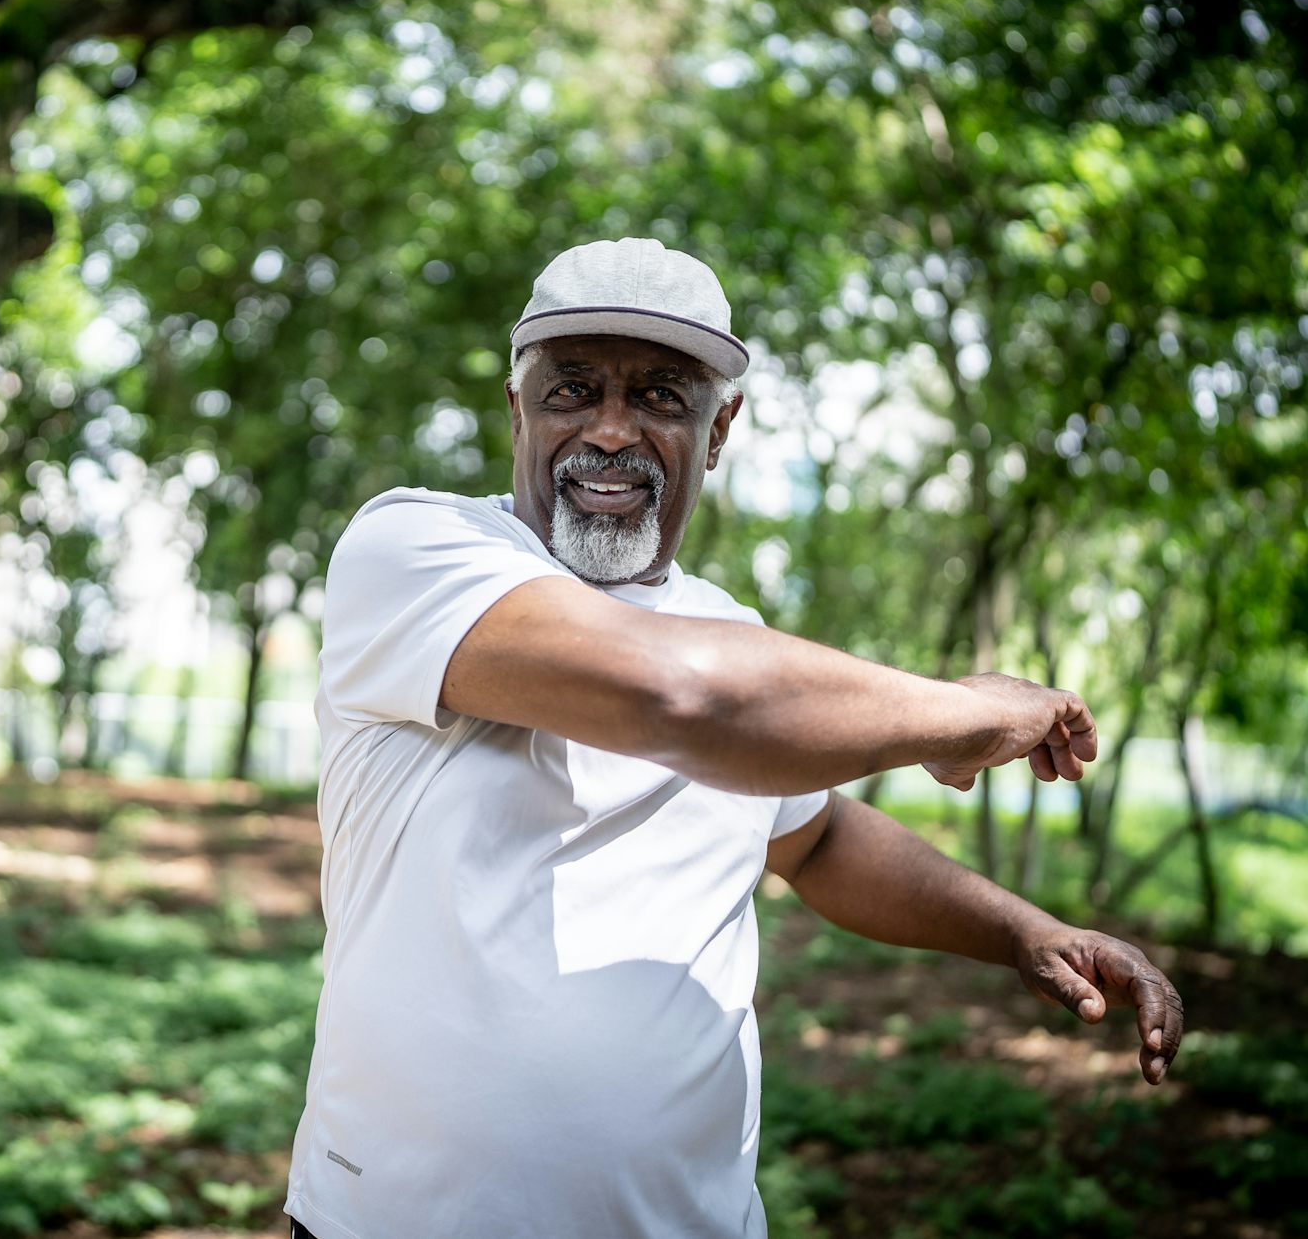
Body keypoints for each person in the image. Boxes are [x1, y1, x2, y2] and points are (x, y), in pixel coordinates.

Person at [283, 239, 1183, 1239]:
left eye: (663, 396)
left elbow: (818, 839)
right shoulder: (414, 552)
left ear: (719, 430)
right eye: (573, 388)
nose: (611, 429)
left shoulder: (736, 638)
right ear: (516, 409)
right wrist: (960, 712)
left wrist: (1024, 930)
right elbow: (681, 698)